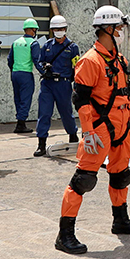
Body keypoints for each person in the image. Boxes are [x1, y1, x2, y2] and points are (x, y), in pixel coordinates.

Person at [57, 6, 130, 255]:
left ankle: (120, 221)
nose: (120, 32)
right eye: (117, 27)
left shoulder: (119, 61)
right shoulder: (90, 61)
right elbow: (81, 100)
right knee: (82, 180)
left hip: (121, 129)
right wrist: (88, 133)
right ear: (107, 28)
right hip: (99, 130)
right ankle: (64, 235)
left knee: (121, 176)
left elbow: (124, 95)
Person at [34, 15, 80, 157]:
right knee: (44, 113)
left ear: (65, 29)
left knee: (66, 112)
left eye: (61, 29)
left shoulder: (72, 47)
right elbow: (39, 62)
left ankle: (73, 135)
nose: (58, 31)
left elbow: (77, 66)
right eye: (56, 29)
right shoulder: (47, 45)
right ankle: (41, 144)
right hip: (47, 84)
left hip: (64, 83)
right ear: (52, 30)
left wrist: (76, 84)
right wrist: (44, 69)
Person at [9, 18, 41, 133]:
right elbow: (37, 61)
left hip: (15, 73)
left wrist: (13, 71)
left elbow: (10, 60)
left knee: (17, 98)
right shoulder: (34, 43)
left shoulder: (16, 42)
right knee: (25, 99)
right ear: (33, 30)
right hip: (26, 74)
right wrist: (44, 73)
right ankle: (21, 124)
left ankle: (19, 121)